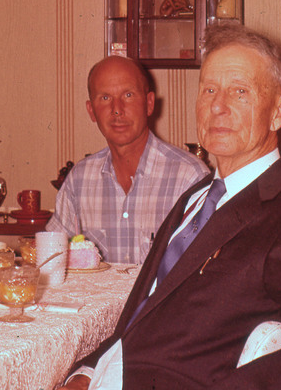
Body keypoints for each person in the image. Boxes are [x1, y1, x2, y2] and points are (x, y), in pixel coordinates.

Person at [57, 24, 281, 390]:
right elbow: (142, 316)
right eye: (209, 90)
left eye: (240, 91)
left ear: (278, 112)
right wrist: (86, 371)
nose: (218, 106)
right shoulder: (196, 195)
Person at [46, 55, 208, 264]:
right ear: (91, 111)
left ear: (149, 104)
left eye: (128, 95)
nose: (117, 109)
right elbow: (52, 260)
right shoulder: (79, 180)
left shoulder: (189, 177)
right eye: (105, 98)